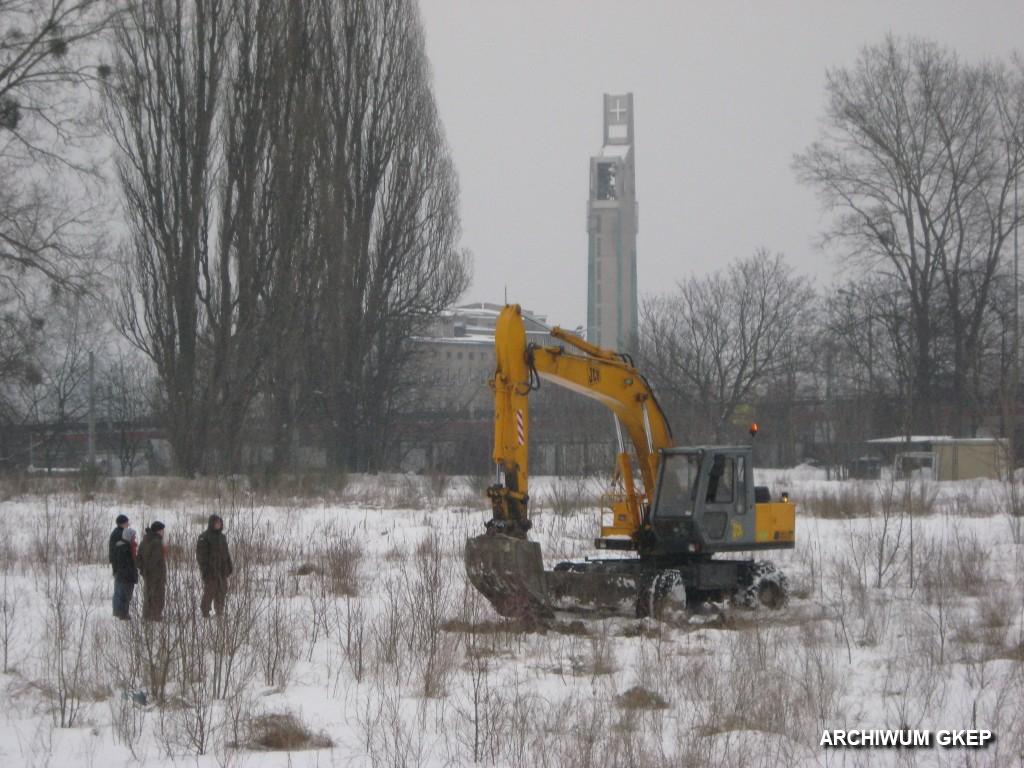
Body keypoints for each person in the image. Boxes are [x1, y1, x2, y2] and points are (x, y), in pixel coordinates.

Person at [196, 514, 233, 617]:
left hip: (222, 571)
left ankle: (219, 612)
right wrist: (205, 570)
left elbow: (226, 553)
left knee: (221, 592)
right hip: (211, 572)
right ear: (211, 524)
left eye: (219, 523)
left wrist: (229, 566)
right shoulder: (204, 537)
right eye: (216, 523)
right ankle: (205, 612)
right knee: (209, 592)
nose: (218, 525)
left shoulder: (222, 537)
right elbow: (201, 557)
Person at [109, 514, 138, 620]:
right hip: (122, 570)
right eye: (127, 522)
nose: (128, 524)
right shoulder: (121, 534)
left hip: (118, 568)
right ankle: (120, 612)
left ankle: (118, 611)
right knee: (121, 590)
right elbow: (122, 555)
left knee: (119, 590)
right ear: (122, 523)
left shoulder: (116, 533)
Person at [137, 521, 167, 621]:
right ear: (158, 531)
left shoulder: (144, 541)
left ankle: (147, 615)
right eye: (162, 530)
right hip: (156, 573)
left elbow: (138, 558)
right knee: (158, 595)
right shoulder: (157, 542)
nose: (163, 532)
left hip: (147, 573)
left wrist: (143, 570)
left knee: (148, 594)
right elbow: (156, 559)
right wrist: (151, 570)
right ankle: (155, 615)